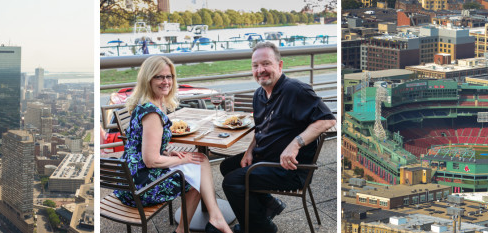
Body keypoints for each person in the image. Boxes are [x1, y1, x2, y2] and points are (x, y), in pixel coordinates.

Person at [219, 42, 336, 232]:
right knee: (228, 166)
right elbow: (260, 129)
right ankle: (268, 205)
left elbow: (327, 120)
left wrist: (295, 144)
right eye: (255, 65)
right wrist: (249, 151)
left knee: (233, 181)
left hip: (290, 169)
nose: (260, 70)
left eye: (266, 64)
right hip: (267, 159)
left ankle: (260, 228)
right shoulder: (259, 94)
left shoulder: (296, 90)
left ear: (279, 65)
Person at [113, 56, 233, 233]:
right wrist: (181, 160)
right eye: (159, 77)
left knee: (200, 162)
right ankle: (202, 223)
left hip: (128, 179)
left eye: (169, 77)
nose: (166, 81)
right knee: (198, 172)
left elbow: (141, 146)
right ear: (148, 79)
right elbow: (151, 161)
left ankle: (213, 219)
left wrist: (169, 154)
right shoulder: (152, 113)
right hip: (140, 187)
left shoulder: (149, 104)